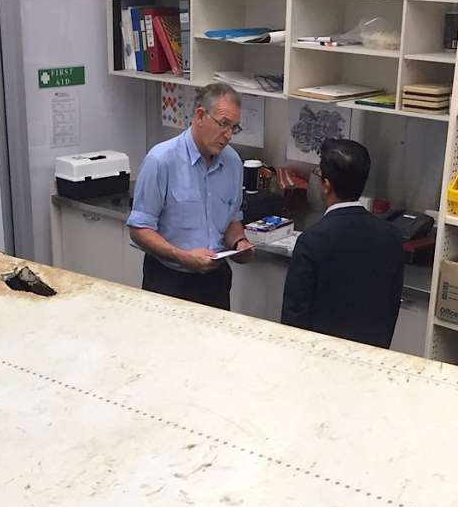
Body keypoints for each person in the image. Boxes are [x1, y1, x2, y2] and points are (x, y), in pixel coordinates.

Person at [126, 83, 253, 309]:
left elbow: (232, 219)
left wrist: (239, 242)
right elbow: (139, 229)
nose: (228, 135)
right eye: (223, 124)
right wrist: (182, 256)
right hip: (169, 279)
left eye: (234, 128)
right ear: (200, 115)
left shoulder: (233, 162)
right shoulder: (161, 160)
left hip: (215, 280)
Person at [281, 138, 404, 348]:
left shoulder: (312, 241)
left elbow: (293, 319)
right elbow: (391, 309)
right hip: (370, 357)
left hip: (320, 358)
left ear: (326, 186)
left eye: (318, 174)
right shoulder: (391, 237)